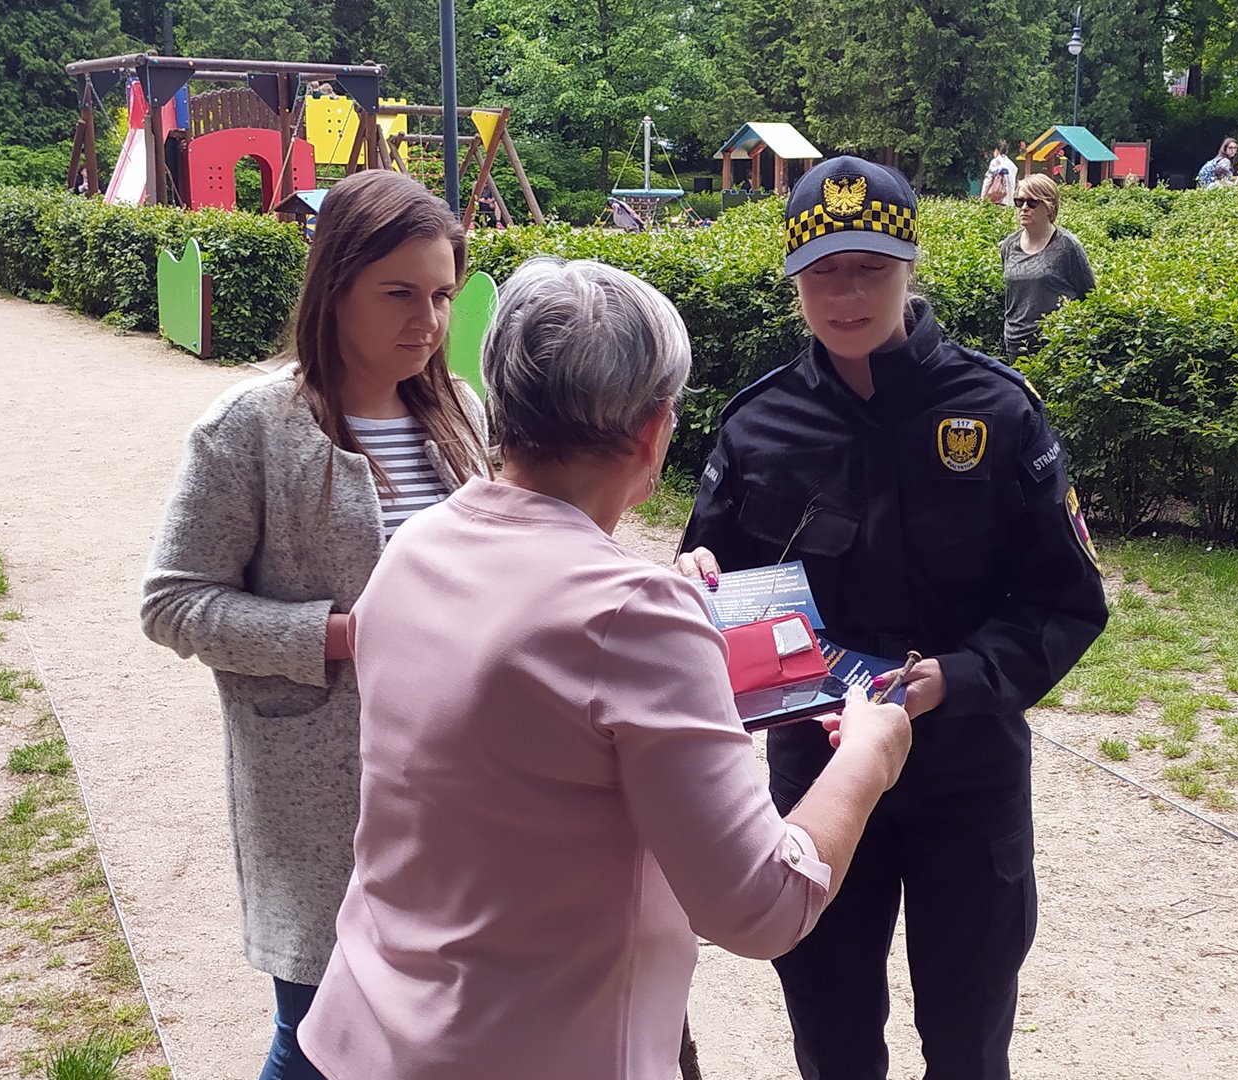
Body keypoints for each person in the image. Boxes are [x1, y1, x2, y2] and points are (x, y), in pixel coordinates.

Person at [297, 256, 913, 1080]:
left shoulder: (416, 547)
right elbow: (762, 909)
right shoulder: (632, 620)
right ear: (652, 429)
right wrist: (867, 756)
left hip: (373, 1030)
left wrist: (655, 615)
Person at [676, 156, 1109, 1080]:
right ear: (795, 280)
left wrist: (963, 675)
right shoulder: (759, 428)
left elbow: (1065, 598)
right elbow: (715, 591)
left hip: (967, 771)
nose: (846, 294)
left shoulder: (998, 410)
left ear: (910, 266)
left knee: (967, 1039)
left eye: (869, 268)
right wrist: (696, 586)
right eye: (824, 271)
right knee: (832, 1040)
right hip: (819, 778)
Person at [140, 169, 491, 1080]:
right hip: (319, 792)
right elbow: (172, 601)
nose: (428, 320)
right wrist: (335, 635)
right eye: (399, 294)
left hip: (459, 783)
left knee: (442, 1026)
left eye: (443, 294)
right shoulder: (250, 428)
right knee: (319, 1033)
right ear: (334, 290)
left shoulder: (461, 416)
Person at [999, 173, 1096, 357]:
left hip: (1056, 345)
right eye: (1019, 201)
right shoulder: (1008, 246)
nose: (1024, 208)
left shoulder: (1067, 246)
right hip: (1015, 343)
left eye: (1032, 202)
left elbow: (1089, 295)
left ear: (1049, 207)